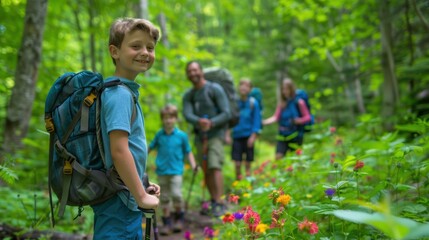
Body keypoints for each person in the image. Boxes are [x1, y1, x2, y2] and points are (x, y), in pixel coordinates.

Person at [90, 18, 161, 239]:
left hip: (122, 194)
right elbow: (119, 151)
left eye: (150, 47)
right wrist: (140, 195)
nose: (145, 52)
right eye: (136, 46)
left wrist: (140, 184)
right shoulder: (119, 95)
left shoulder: (123, 92)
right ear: (115, 51)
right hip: (119, 200)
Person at [182, 61, 231, 217]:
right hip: (200, 136)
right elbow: (187, 114)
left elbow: (226, 113)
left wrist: (211, 123)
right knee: (206, 168)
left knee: (215, 166)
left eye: (195, 70)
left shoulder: (214, 89)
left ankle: (220, 202)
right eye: (189, 71)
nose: (192, 73)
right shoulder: (189, 95)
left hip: (215, 135)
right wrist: (199, 122)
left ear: (201, 71)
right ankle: (214, 200)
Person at [148, 104, 197, 235]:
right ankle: (167, 223)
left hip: (176, 171)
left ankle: (179, 218)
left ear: (175, 118)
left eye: (171, 118)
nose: (168, 120)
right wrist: (140, 158)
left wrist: (193, 165)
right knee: (164, 197)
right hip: (162, 171)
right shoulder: (159, 134)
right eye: (165, 118)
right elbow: (150, 147)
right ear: (162, 119)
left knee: (177, 195)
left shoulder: (181, 136)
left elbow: (188, 151)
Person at [263, 78, 311, 160]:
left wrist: (299, 121)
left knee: (296, 159)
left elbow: (308, 117)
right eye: (283, 89)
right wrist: (264, 122)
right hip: (283, 134)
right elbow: (276, 117)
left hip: (296, 135)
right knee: (278, 157)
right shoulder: (282, 103)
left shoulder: (299, 102)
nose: (284, 91)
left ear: (291, 89)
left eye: (286, 89)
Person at [225, 78, 262, 180]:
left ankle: (248, 183)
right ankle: (239, 182)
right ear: (238, 87)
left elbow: (257, 120)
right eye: (242, 85)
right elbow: (230, 119)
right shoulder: (235, 103)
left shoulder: (253, 103)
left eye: (247, 85)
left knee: (248, 162)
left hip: (248, 136)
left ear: (250, 89)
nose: (244, 87)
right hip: (237, 136)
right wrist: (227, 134)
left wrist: (253, 136)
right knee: (237, 163)